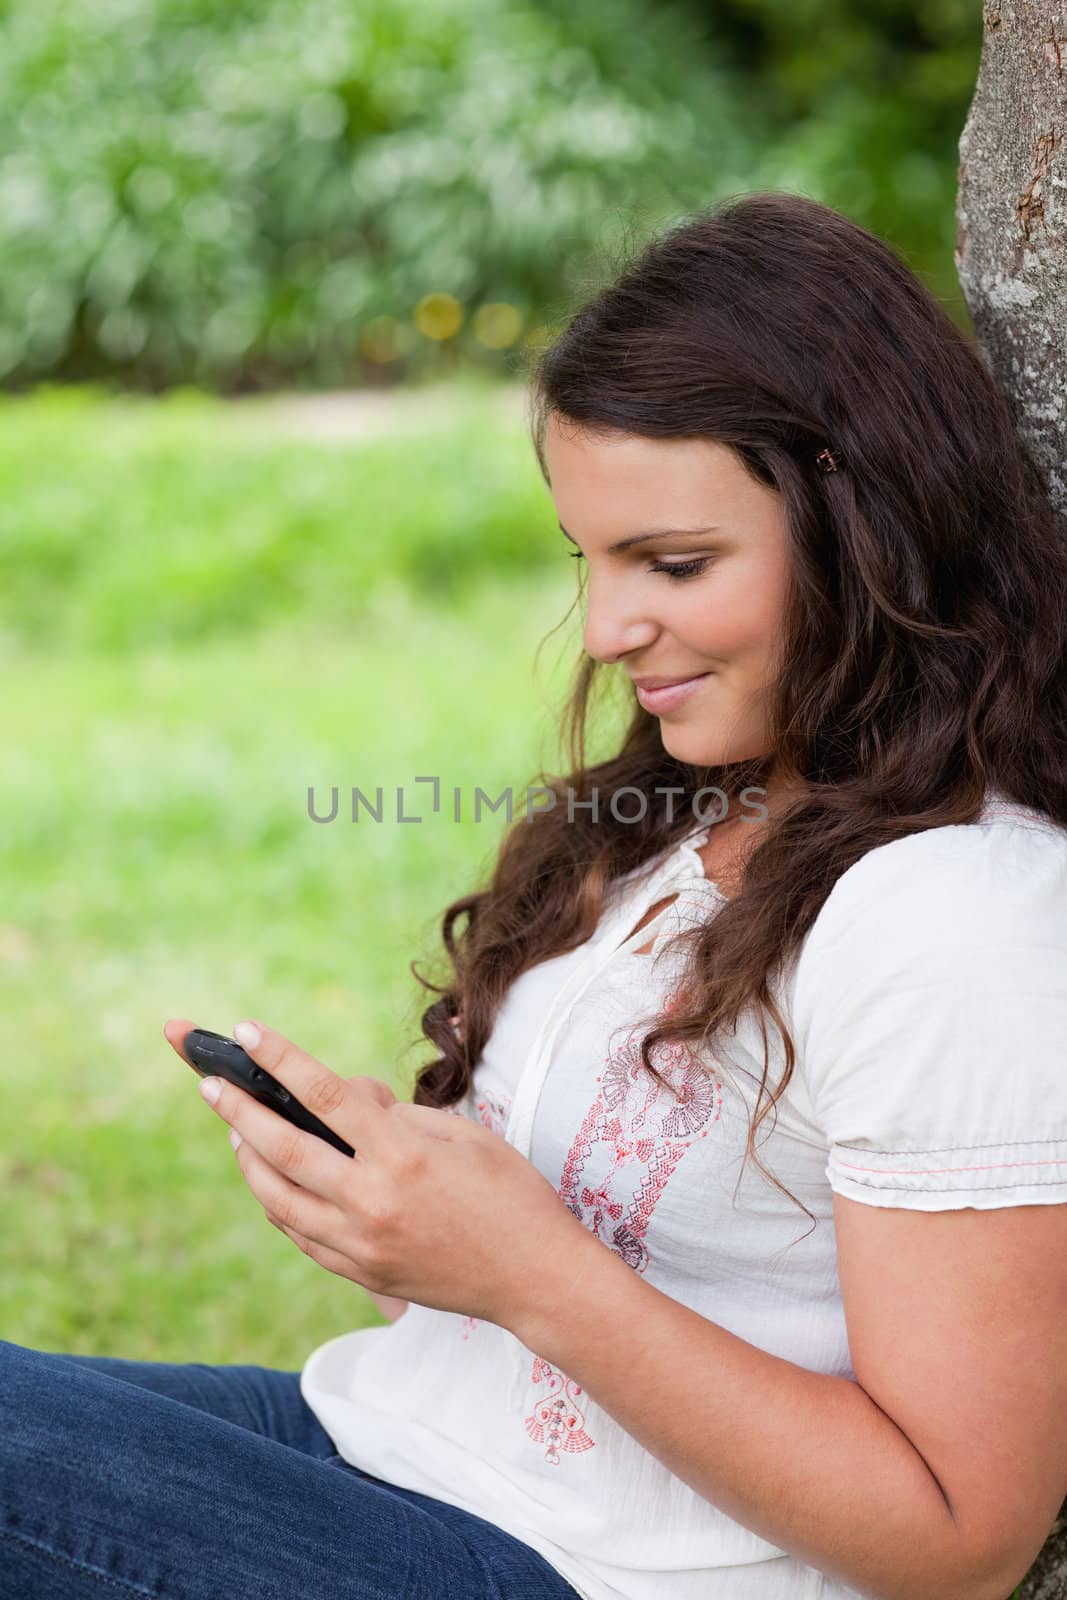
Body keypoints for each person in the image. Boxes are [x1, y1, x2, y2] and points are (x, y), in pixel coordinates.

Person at [4, 189, 1067, 1600]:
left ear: (865, 523)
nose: (614, 629)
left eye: (673, 565)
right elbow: (574, 1286)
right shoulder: (692, 807)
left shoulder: (961, 913)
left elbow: (960, 1536)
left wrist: (531, 1275)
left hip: (578, 1569)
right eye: (593, 560)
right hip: (392, 1447)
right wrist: (395, 1212)